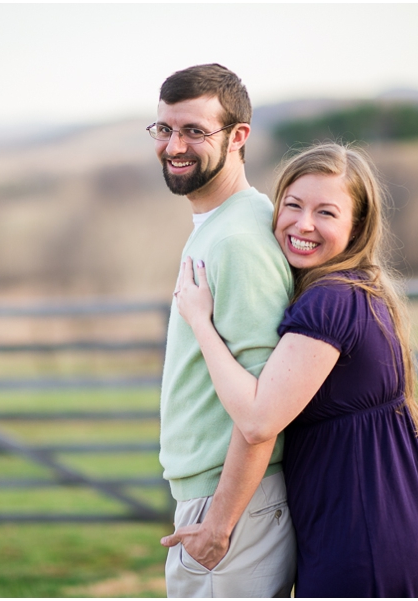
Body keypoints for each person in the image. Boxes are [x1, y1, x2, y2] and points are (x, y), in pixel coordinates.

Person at [173, 142, 418, 597]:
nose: (303, 224)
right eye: (293, 205)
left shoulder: (329, 303)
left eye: (326, 212)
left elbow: (259, 418)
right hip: (398, 529)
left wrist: (201, 324)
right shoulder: (362, 289)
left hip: (362, 543)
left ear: (357, 225)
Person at [150, 64, 297, 597]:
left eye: (194, 131)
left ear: (238, 138)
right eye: (164, 129)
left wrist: (220, 523)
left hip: (231, 504)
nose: (174, 146)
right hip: (222, 499)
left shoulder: (239, 240)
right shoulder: (221, 227)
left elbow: (263, 406)